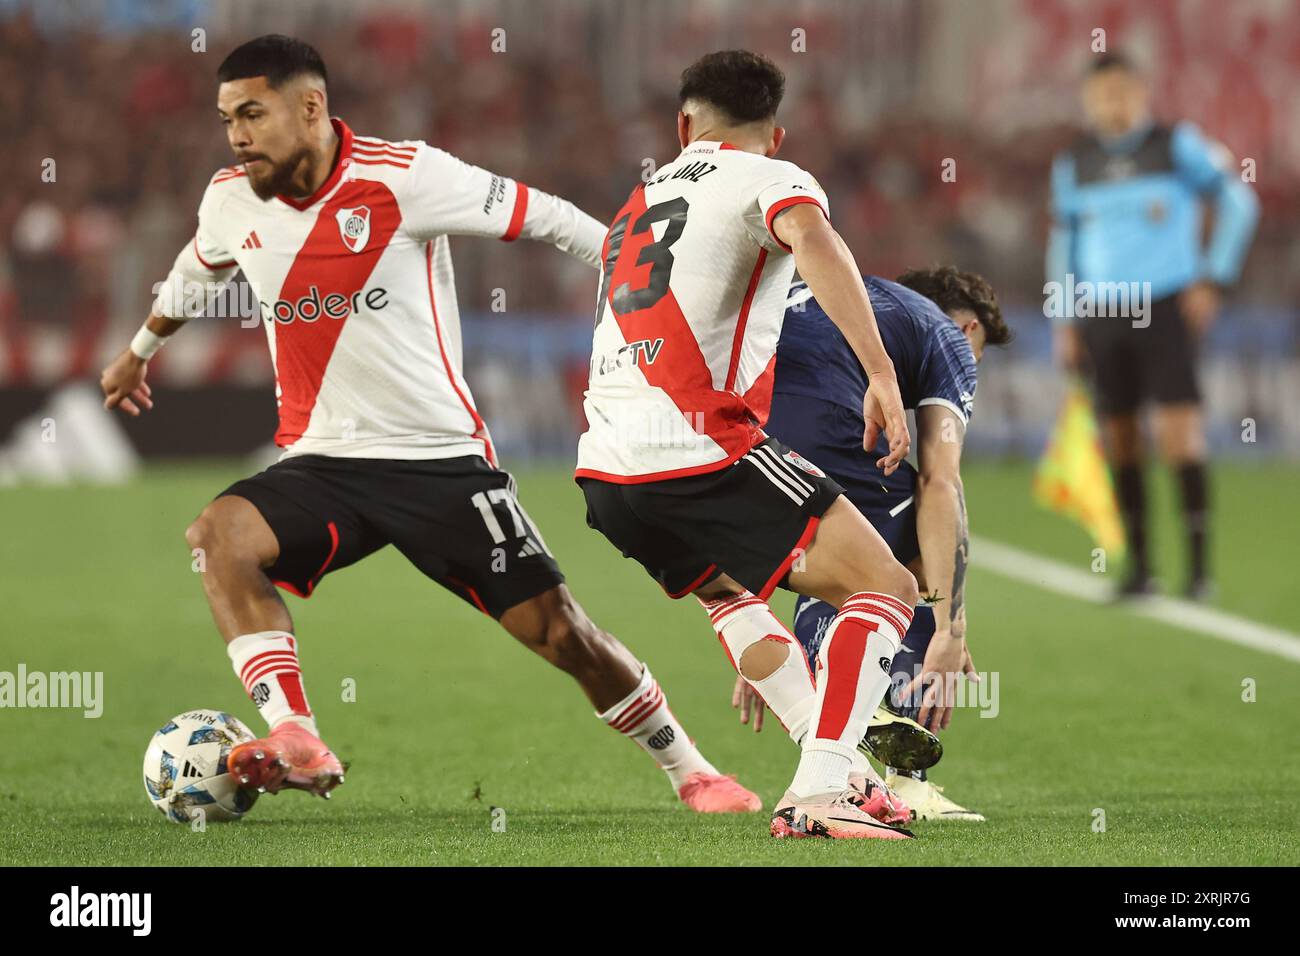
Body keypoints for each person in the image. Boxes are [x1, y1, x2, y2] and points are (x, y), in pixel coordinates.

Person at [99, 34, 759, 815]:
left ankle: (691, 769)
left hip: (439, 461)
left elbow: (550, 219)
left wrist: (646, 298)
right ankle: (295, 731)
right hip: (324, 462)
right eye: (226, 119)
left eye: (252, 113)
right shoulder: (229, 198)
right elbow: (196, 268)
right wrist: (141, 349)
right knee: (218, 537)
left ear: (311, 107)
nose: (237, 134)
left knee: (561, 634)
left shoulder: (408, 175)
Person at [577, 50, 936, 840]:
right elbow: (814, 237)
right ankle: (818, 790)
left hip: (605, 469)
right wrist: (880, 372)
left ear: (683, 125)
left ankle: (838, 766)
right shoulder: (771, 179)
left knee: (731, 592)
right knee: (886, 586)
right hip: (699, 448)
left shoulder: (635, 203)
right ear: (776, 134)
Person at [731, 266, 1011, 821]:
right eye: (978, 352)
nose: (970, 366)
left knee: (841, 551)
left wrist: (754, 633)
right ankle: (902, 778)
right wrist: (952, 628)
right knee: (921, 545)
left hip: (731, 438)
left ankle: (814, 697)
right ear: (969, 326)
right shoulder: (947, 336)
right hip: (814, 425)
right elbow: (941, 481)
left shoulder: (836, 291)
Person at [1048, 52, 1258, 599]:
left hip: (1164, 307)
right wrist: (1063, 318)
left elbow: (1239, 200)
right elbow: (1062, 242)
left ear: (1141, 92)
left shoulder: (1176, 145)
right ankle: (1140, 569)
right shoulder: (1075, 161)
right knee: (1119, 438)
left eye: (1120, 91)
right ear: (1087, 99)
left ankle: (1199, 571)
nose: (1109, 103)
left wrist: (1214, 277)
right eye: (1100, 94)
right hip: (1101, 312)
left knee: (1178, 434)